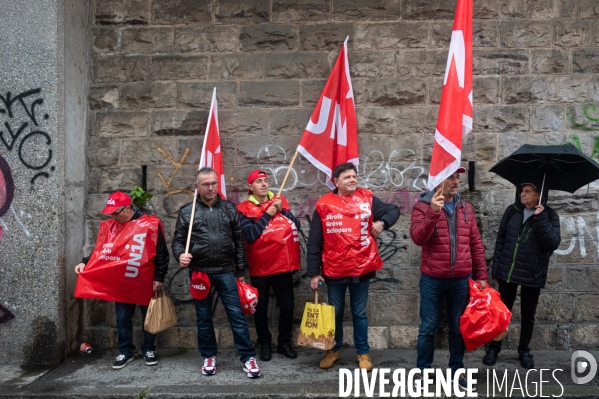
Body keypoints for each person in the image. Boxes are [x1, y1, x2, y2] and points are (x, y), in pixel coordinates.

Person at [307, 162, 399, 372]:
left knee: (359, 314)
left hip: (361, 270)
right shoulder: (324, 204)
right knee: (335, 314)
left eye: (354, 176)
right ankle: (333, 350)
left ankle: (363, 353)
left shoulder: (367, 199)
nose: (352, 180)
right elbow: (314, 242)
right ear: (336, 181)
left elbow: (393, 210)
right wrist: (314, 273)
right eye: (347, 177)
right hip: (334, 271)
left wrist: (382, 223)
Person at [171, 167, 260, 378]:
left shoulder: (230, 209)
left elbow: (239, 242)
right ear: (197, 187)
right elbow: (178, 241)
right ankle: (209, 355)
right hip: (199, 272)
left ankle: (248, 358)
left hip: (225, 271)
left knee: (236, 316)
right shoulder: (187, 212)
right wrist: (179, 255)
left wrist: (240, 271)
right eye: (206, 184)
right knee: (203, 317)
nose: (211, 188)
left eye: (213, 184)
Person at [410, 167, 488, 391]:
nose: (456, 182)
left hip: (462, 279)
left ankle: (457, 370)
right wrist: (433, 213)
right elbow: (417, 238)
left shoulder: (466, 208)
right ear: (438, 181)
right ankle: (422, 371)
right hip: (432, 279)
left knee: (458, 327)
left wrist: (481, 275)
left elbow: (475, 244)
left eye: (457, 177)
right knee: (428, 327)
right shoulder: (422, 207)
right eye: (450, 177)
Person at [74, 191, 169, 369]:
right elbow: (101, 251)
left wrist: (159, 277)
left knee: (149, 317)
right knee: (122, 317)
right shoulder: (111, 227)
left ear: (127, 209)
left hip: (145, 280)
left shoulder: (149, 225)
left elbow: (162, 255)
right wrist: (84, 262)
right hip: (122, 282)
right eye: (110, 213)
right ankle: (126, 351)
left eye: (115, 212)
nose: (112, 216)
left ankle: (149, 348)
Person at [483, 174, 560, 369]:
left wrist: (541, 218)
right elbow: (500, 241)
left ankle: (524, 351)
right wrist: (497, 269)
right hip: (508, 271)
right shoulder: (512, 211)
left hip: (532, 273)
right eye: (522, 190)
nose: (522, 194)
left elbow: (552, 243)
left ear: (539, 194)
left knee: (528, 314)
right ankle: (494, 347)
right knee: (502, 312)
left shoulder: (549, 215)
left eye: (528, 191)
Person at [237, 170, 301, 362]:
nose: (264, 184)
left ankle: (283, 343)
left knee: (287, 307)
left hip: (283, 267)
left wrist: (283, 211)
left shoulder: (281, 201)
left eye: (265, 181)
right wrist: (267, 215)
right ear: (250, 187)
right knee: (261, 310)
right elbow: (249, 235)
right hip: (260, 269)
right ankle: (264, 343)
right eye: (259, 182)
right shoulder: (244, 209)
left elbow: (296, 225)